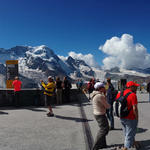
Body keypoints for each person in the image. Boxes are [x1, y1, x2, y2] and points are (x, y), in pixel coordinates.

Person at [116, 81, 139, 150]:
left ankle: (132, 142)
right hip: (130, 117)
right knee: (129, 133)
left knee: (126, 132)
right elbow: (135, 108)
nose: (136, 88)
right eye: (135, 87)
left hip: (121, 116)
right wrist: (137, 118)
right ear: (131, 87)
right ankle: (125, 148)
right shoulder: (133, 95)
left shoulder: (119, 93)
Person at [91, 82, 110, 150]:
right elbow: (107, 106)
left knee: (103, 128)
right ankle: (95, 146)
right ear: (100, 88)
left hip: (97, 113)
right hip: (100, 114)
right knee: (104, 129)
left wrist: (104, 94)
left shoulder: (95, 94)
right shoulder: (100, 96)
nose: (105, 88)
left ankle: (103, 144)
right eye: (103, 87)